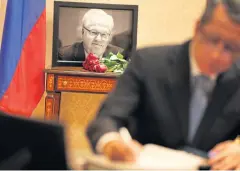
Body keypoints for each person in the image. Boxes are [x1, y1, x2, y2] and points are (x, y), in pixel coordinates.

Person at [86, 0, 240, 170]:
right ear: (197, 28)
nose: (217, 55)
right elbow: (107, 119)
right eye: (213, 39)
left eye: (231, 48)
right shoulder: (147, 63)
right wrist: (112, 142)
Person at [58, 9, 124, 62]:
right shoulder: (64, 55)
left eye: (104, 34)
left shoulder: (120, 56)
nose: (98, 39)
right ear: (82, 32)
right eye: (93, 32)